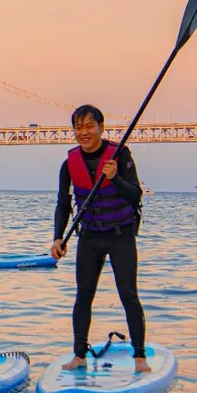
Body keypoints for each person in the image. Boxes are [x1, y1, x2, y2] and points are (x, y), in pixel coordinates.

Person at [50, 105, 150, 373]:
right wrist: (58, 237)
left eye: (89, 126)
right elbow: (63, 204)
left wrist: (115, 178)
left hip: (120, 235)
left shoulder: (120, 155)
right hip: (90, 236)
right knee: (83, 295)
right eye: (78, 127)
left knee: (128, 294)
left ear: (101, 128)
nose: (84, 132)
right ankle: (79, 355)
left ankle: (140, 357)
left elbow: (135, 195)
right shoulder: (69, 164)